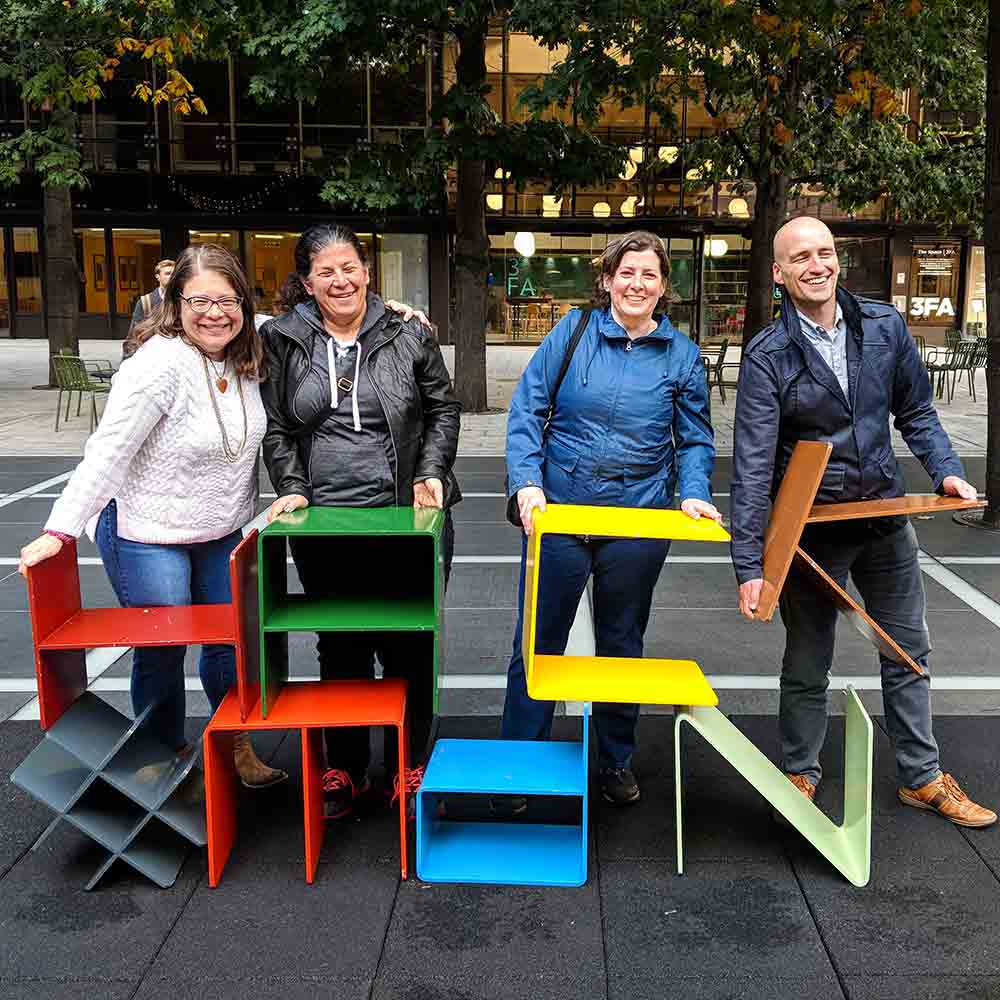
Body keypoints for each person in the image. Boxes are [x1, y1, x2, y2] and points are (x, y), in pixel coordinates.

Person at [731, 216, 995, 827]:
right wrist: (751, 565)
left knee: (908, 652)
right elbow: (751, 466)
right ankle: (800, 772)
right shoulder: (769, 355)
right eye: (800, 257)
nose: (816, 265)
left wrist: (947, 470)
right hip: (813, 530)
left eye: (824, 253)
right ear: (780, 273)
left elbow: (917, 412)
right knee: (807, 660)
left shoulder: (883, 326)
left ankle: (921, 777)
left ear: (836, 261)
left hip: (884, 517)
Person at [19, 244, 287, 790]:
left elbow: (311, 318)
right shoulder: (158, 365)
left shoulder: (247, 352)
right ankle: (160, 752)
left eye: (227, 300)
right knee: (163, 648)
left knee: (229, 642)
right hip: (150, 532)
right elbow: (107, 451)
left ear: (244, 303)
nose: (215, 313)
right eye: (200, 301)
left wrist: (399, 313)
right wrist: (59, 529)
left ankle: (233, 741)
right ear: (175, 302)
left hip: (220, 530)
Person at [503, 230, 720, 807]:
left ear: (663, 287)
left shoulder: (681, 354)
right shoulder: (573, 331)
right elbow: (527, 409)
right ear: (606, 279)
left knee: (622, 641)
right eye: (627, 273)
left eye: (649, 275)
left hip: (639, 516)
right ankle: (521, 764)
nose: (637, 284)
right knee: (538, 640)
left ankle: (614, 760)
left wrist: (692, 492)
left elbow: (695, 439)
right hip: (560, 511)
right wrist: (526, 483)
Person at [261, 223, 461, 820]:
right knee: (340, 643)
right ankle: (343, 765)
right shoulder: (283, 339)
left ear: (367, 270)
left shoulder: (408, 331)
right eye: (326, 271)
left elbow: (442, 408)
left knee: (410, 642)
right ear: (306, 282)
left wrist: (431, 470)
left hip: (407, 514)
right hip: (325, 521)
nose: (340, 280)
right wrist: (293, 487)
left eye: (349, 267)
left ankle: (406, 764)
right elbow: (277, 426)